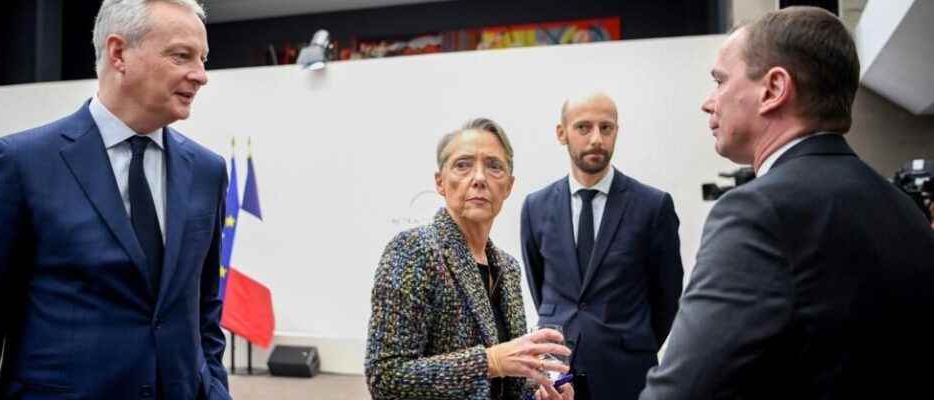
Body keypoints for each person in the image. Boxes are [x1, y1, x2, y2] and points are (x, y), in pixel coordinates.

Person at [640, 7, 934, 399]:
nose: (708, 103)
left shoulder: (758, 213)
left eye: (720, 81)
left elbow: (682, 391)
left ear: (774, 89)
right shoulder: (904, 209)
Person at [0, 1, 231, 398]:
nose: (200, 75)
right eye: (181, 55)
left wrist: (216, 390)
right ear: (119, 53)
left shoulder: (207, 171)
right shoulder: (20, 165)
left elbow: (203, 311)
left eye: (202, 58)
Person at [366, 118, 574, 400]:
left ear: (509, 186)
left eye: (494, 166)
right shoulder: (414, 250)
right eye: (463, 165)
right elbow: (385, 377)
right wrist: (491, 361)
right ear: (440, 182)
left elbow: (506, 381)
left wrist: (539, 393)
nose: (479, 178)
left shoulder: (508, 268)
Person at [520, 92, 683, 400]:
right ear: (561, 133)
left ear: (616, 132)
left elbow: (668, 296)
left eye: (606, 128)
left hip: (628, 371)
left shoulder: (652, 206)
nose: (596, 138)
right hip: (558, 371)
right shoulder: (535, 206)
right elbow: (540, 285)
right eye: (583, 127)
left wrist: (633, 341)